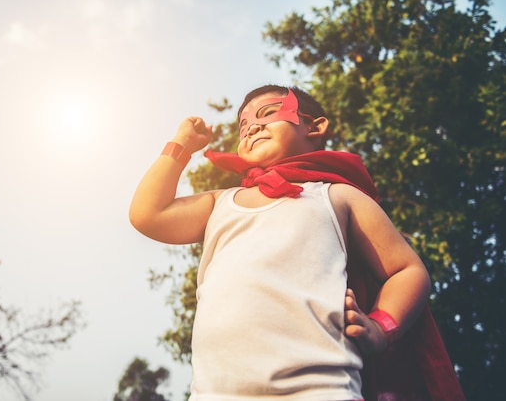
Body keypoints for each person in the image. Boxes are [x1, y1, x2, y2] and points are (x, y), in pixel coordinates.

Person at [129, 85, 464, 400]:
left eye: (268, 113)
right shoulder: (221, 203)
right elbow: (149, 214)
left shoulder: (337, 196)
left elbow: (406, 270)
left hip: (323, 388)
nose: (251, 127)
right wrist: (180, 146)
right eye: (243, 124)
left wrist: (382, 326)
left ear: (314, 127)